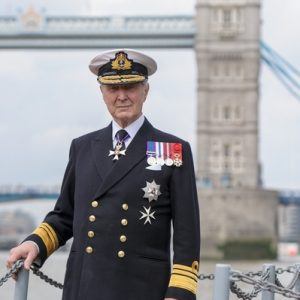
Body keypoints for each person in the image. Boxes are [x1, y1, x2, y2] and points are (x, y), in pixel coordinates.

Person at [7, 49, 200, 300]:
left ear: (145, 90)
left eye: (130, 87)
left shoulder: (172, 149)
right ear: (102, 93)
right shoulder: (83, 147)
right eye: (112, 89)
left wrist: (179, 292)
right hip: (83, 287)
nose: (121, 96)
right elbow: (65, 216)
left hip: (142, 289)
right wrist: (34, 244)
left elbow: (187, 233)